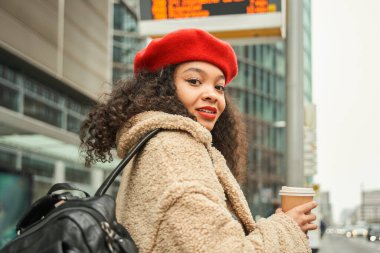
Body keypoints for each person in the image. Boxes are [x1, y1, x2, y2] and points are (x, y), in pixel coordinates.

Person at [80, 28, 317, 253]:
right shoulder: (173, 149)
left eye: (219, 86)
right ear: (162, 88)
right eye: (194, 81)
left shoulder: (156, 143)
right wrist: (286, 228)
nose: (212, 94)